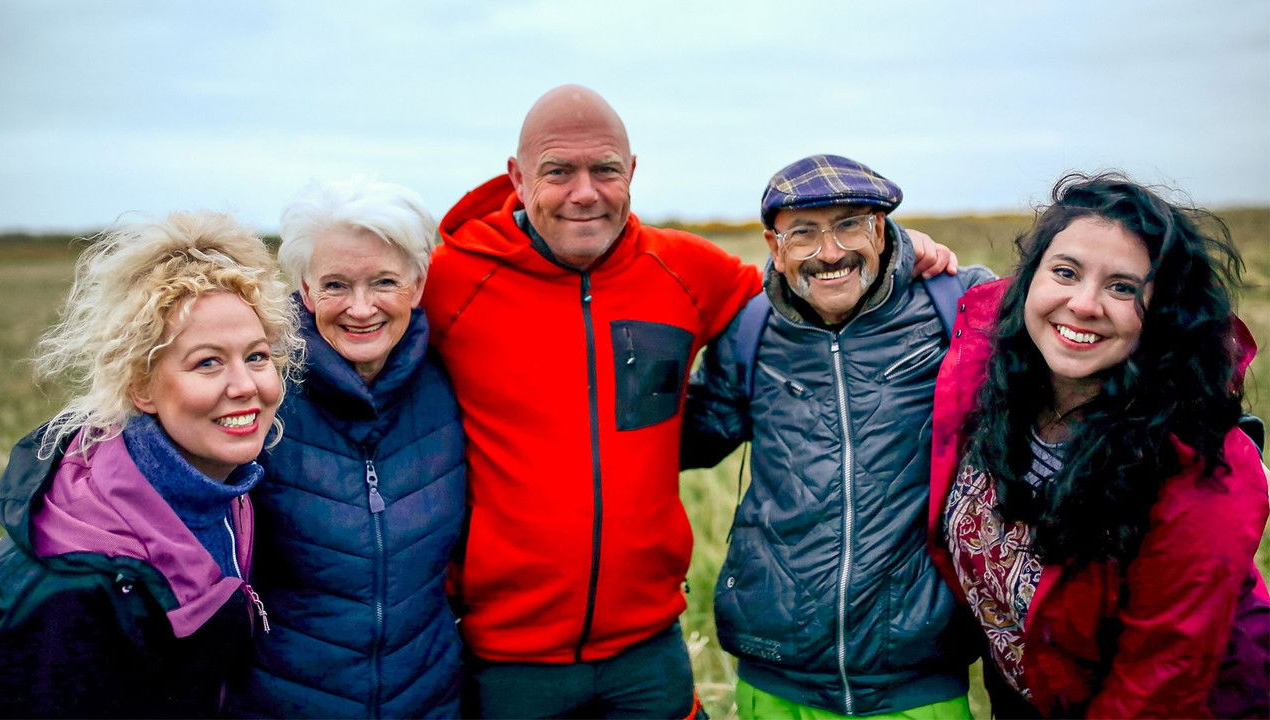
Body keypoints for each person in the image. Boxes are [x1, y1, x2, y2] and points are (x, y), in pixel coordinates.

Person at [426, 86, 954, 718]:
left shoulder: (686, 268)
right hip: (507, 659)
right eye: (558, 172)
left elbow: (807, 287)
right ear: (516, 176)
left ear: (633, 173)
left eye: (606, 170)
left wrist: (894, 248)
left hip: (649, 651)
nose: (584, 192)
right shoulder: (451, 280)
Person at [927, 172, 1270, 717]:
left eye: (1123, 287)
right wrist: (906, 249)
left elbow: (1159, 680)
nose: (1083, 305)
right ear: (1029, 280)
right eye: (1065, 272)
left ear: (1163, 311)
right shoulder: (990, 371)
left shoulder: (1202, 465)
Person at [682, 154, 994, 719]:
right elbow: (683, 442)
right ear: (774, 246)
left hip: (916, 679)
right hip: (776, 680)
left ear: (882, 228)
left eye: (850, 223)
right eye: (804, 232)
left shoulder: (957, 305)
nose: (830, 253)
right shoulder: (749, 330)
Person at [0, 211, 301, 718]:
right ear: (140, 387)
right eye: (207, 362)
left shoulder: (224, 485)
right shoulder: (70, 586)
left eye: (258, 356)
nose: (246, 385)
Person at [224, 178, 466, 719]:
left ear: (418, 284)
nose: (360, 309)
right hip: (283, 703)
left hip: (429, 701)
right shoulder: (258, 391)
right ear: (305, 291)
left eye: (384, 281)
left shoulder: (454, 383)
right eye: (335, 285)